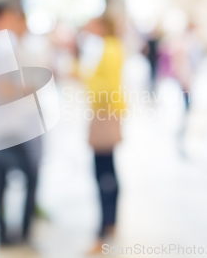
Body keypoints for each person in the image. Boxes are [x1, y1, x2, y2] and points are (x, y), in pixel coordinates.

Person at [0, 1, 39, 245]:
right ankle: (24, 230)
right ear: (2, 16)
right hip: (8, 128)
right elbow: (3, 89)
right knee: (31, 177)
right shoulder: (3, 47)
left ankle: (2, 232)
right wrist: (30, 86)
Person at [85, 15, 124, 253]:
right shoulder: (112, 47)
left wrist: (83, 76)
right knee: (107, 169)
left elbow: (106, 86)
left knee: (103, 171)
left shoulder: (108, 49)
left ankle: (103, 229)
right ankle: (110, 222)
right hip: (108, 111)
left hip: (104, 112)